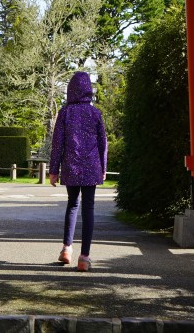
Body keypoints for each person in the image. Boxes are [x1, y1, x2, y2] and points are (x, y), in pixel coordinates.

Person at [49, 71, 107, 272]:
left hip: (71, 166)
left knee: (72, 205)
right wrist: (103, 167)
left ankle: (66, 249)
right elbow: (102, 143)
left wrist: (53, 170)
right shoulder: (95, 113)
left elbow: (57, 143)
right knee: (88, 208)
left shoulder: (65, 112)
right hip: (92, 166)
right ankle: (84, 257)